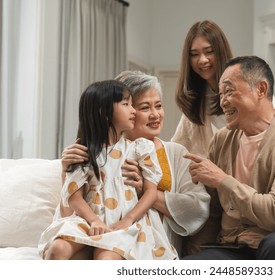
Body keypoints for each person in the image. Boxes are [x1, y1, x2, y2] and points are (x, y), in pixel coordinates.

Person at [183, 56, 275, 260]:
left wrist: (222, 179)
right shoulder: (221, 141)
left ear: (261, 90)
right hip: (240, 246)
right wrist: (188, 256)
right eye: (220, 94)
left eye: (229, 91)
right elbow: (213, 212)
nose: (223, 102)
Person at [60, 71, 210, 258]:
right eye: (145, 107)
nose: (155, 114)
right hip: (96, 236)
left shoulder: (176, 153)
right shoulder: (93, 152)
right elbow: (68, 211)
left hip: (145, 243)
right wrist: (65, 171)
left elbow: (197, 208)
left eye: (159, 106)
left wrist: (146, 192)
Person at [39, 80, 178, 260]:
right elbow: (74, 197)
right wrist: (94, 220)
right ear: (103, 113)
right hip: (88, 220)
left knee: (106, 259)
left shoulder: (140, 148)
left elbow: (150, 193)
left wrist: (128, 219)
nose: (133, 110)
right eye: (126, 104)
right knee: (58, 249)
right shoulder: (82, 151)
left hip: (124, 222)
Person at [172, 20, 275, 158]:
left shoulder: (249, 87)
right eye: (194, 54)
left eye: (209, 51)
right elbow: (177, 146)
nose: (202, 60)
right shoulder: (197, 102)